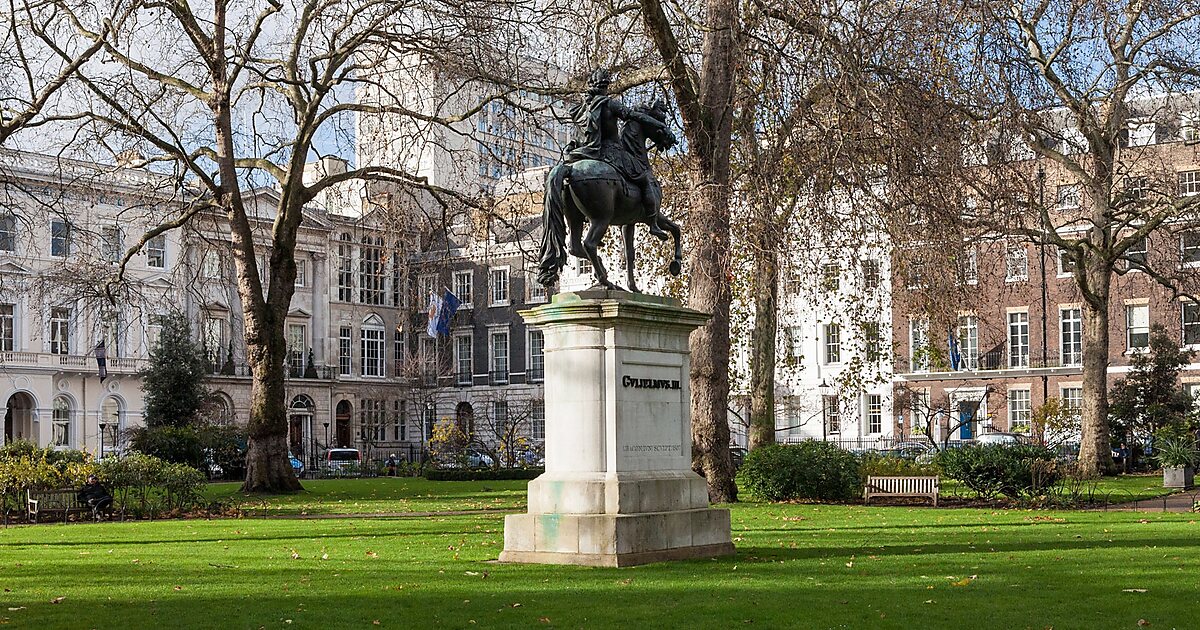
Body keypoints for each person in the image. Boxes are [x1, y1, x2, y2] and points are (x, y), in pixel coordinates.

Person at [563, 68, 675, 238]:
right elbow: (633, 115)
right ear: (606, 86)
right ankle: (653, 224)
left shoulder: (582, 108)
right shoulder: (609, 104)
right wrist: (660, 125)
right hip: (612, 153)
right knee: (644, 177)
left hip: (589, 152)